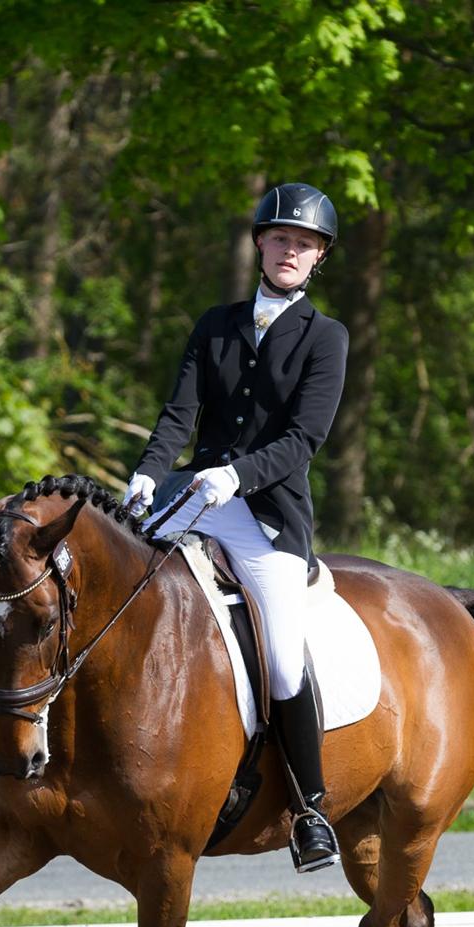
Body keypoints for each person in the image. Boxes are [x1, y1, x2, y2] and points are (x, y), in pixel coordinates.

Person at [124, 182, 348, 871]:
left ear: (317, 260)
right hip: (190, 494)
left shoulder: (325, 337)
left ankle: (309, 809)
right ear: (258, 242)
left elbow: (303, 440)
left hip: (268, 515)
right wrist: (145, 472)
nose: (290, 250)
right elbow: (176, 414)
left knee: (282, 656)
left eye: (304, 244)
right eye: (280, 237)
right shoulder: (214, 324)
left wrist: (237, 476)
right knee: (117, 591)